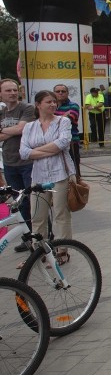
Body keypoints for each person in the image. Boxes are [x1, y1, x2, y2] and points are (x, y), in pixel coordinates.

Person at [19, 90, 75, 245]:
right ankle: (39, 251)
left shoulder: (62, 122)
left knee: (61, 213)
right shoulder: (29, 127)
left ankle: (63, 249)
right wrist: (48, 150)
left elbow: (62, 144)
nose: (53, 104)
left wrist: (34, 152)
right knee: (37, 215)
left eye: (54, 101)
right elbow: (23, 153)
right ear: (38, 105)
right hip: (39, 176)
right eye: (48, 102)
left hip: (60, 173)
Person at [0, 78, 35, 251]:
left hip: (27, 161)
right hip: (9, 162)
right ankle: (27, 238)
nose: (12, 93)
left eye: (15, 90)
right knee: (18, 203)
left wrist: (5, 130)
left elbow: (22, 129)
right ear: (1, 94)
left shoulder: (26, 108)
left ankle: (43, 236)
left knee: (33, 200)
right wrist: (12, 131)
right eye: (8, 91)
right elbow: (13, 131)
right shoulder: (2, 113)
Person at [53, 84, 81, 174]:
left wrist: (52, 119)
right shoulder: (51, 106)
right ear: (53, 93)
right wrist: (62, 117)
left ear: (68, 93)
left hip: (71, 141)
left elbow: (67, 121)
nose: (60, 93)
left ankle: (77, 187)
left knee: (74, 170)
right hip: (54, 141)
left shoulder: (74, 106)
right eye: (58, 91)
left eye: (63, 91)